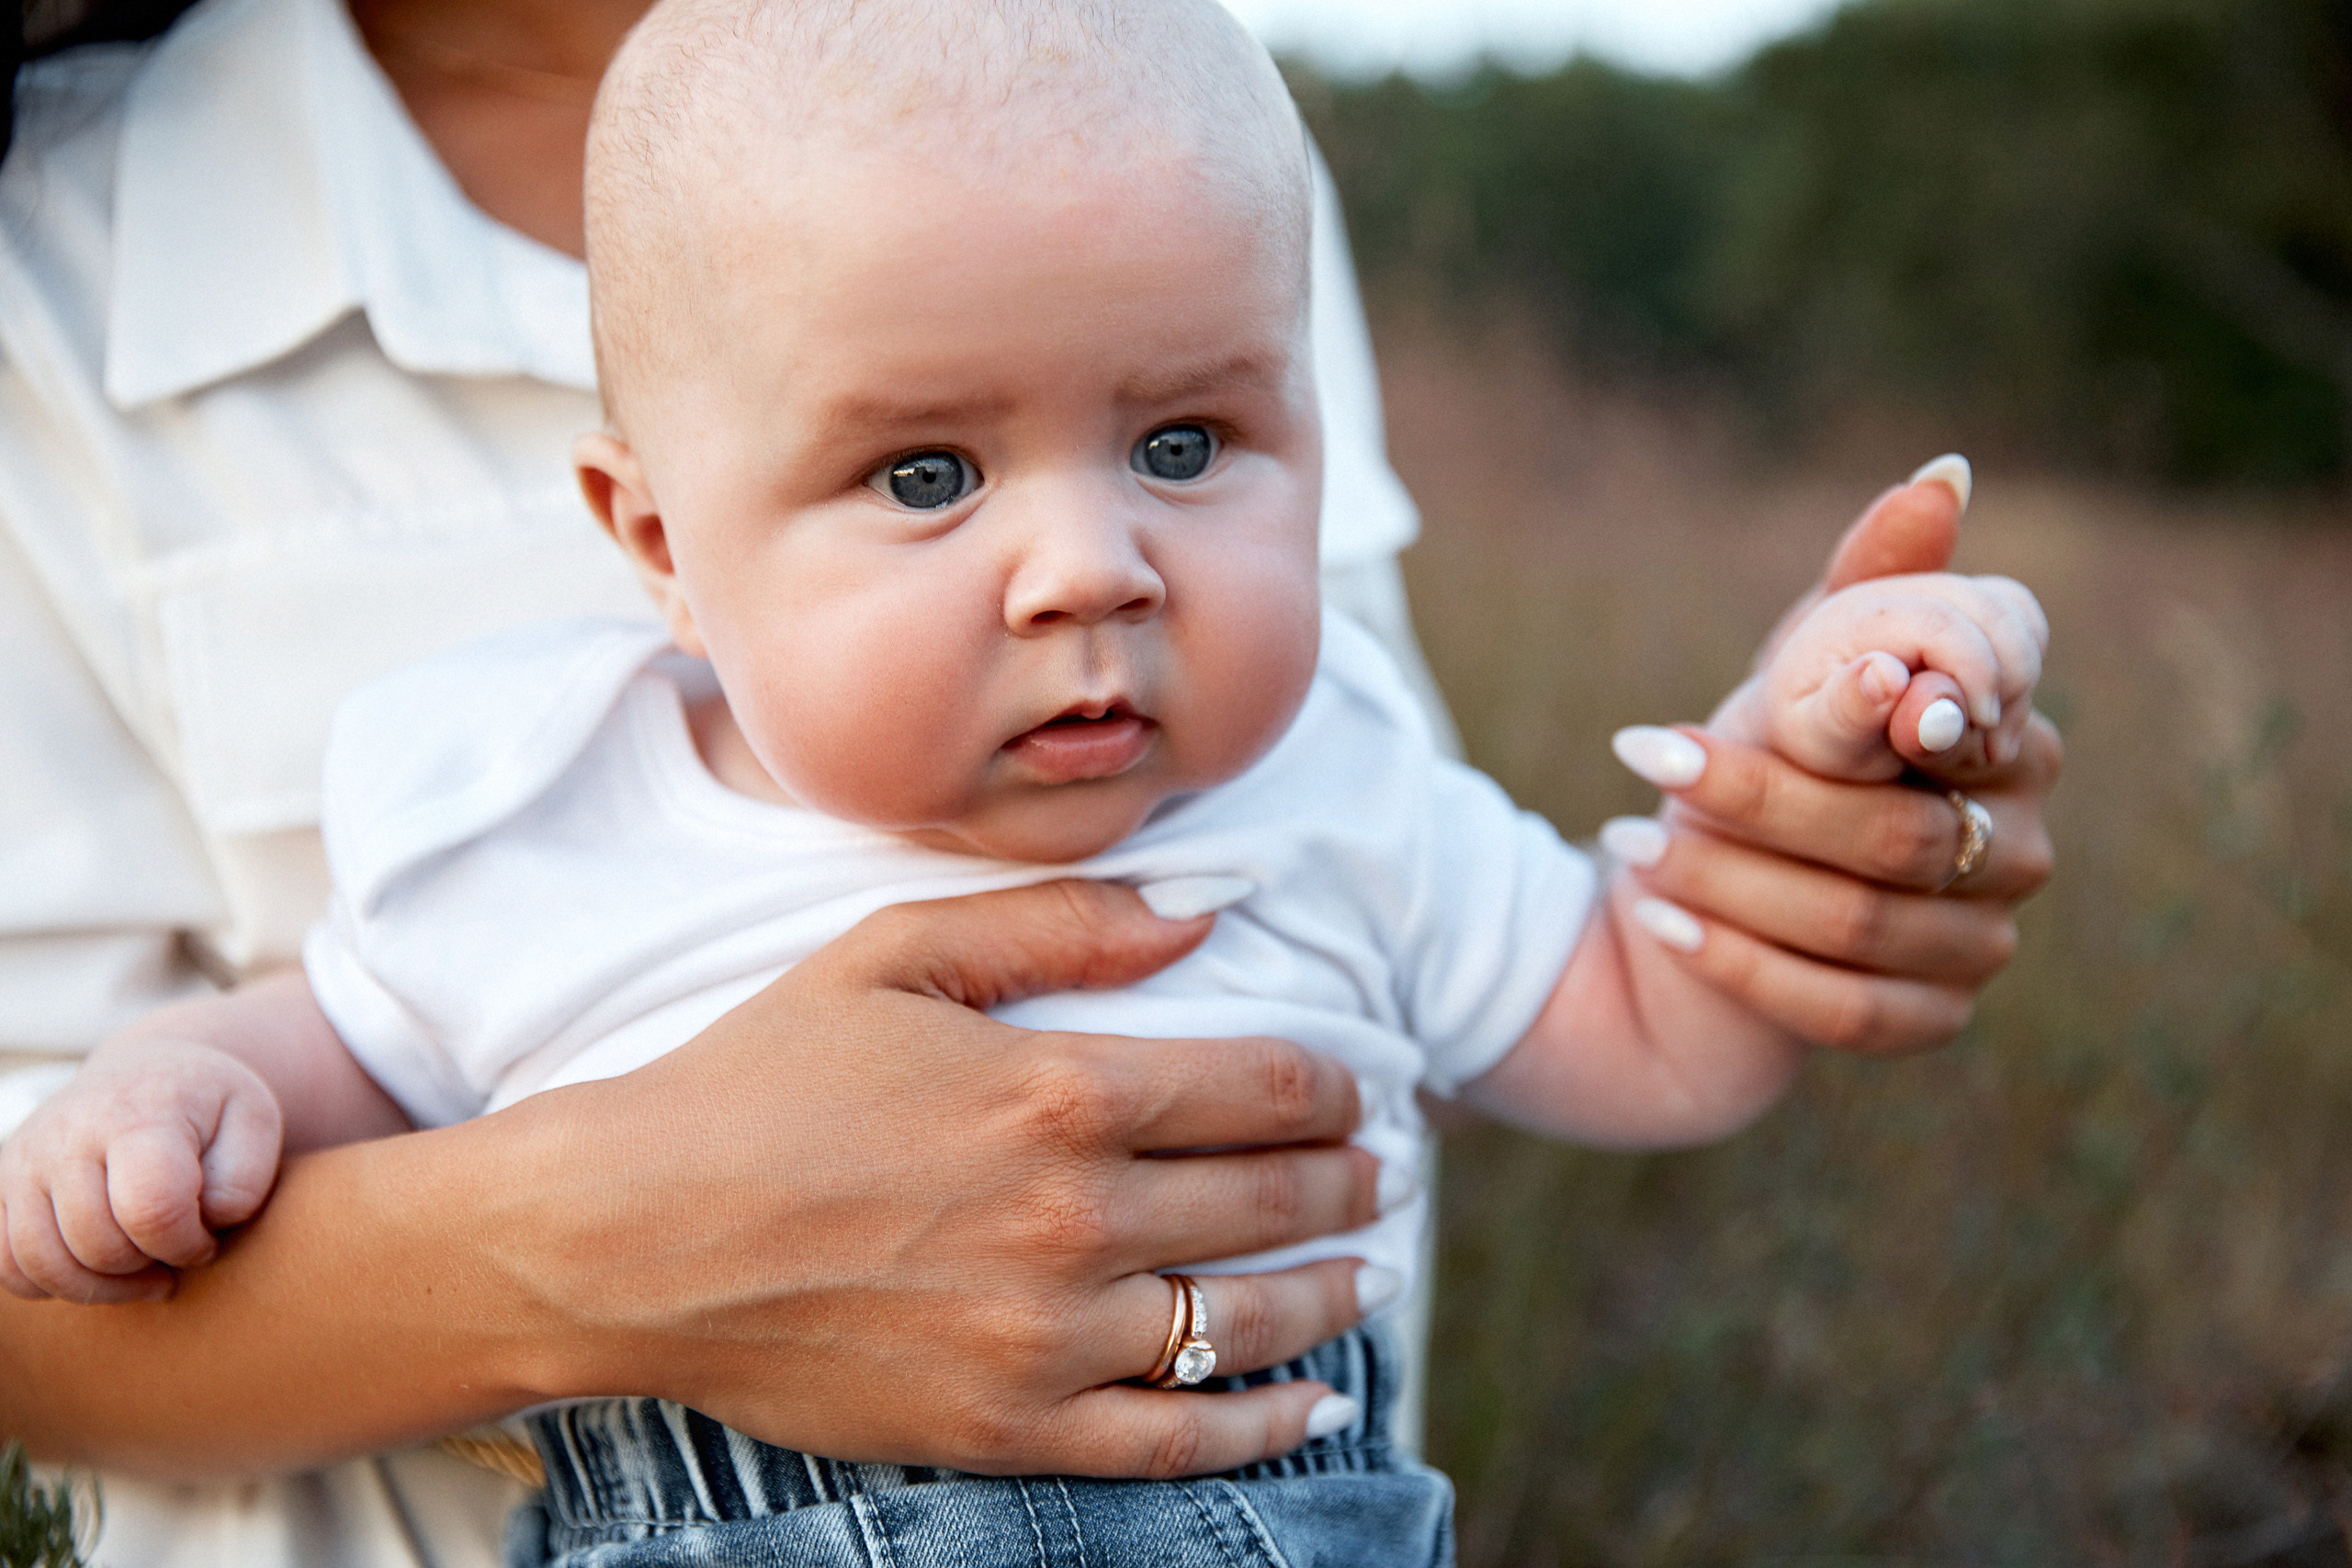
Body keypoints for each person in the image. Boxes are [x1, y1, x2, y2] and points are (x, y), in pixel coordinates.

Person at [0, 0, 2059, 1563]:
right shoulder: (549, 802)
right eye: (924, 478)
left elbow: (1643, 1029)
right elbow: (337, 1039)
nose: (1092, 563)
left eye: (1182, 444)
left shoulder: (1335, 773)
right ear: (658, 551)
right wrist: (173, 1096)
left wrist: (1788, 779)